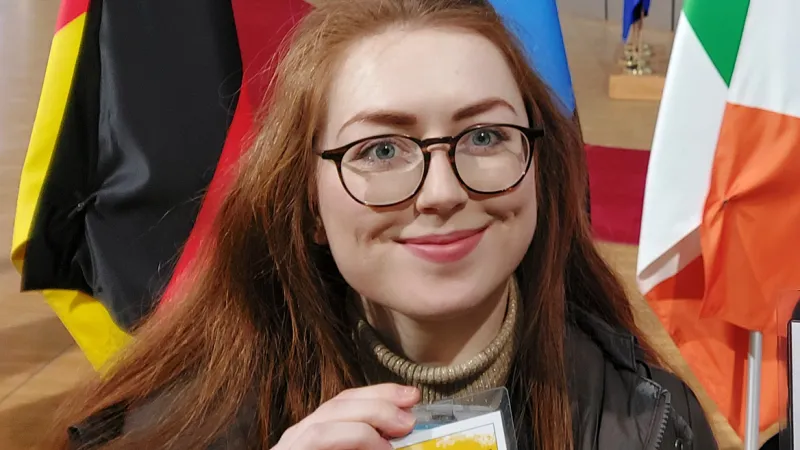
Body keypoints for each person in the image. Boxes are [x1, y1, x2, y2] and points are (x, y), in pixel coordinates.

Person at [50, 1, 718, 449]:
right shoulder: (174, 427)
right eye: (381, 150)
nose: (442, 191)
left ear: (539, 166)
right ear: (309, 203)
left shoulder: (654, 420)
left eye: (484, 135)